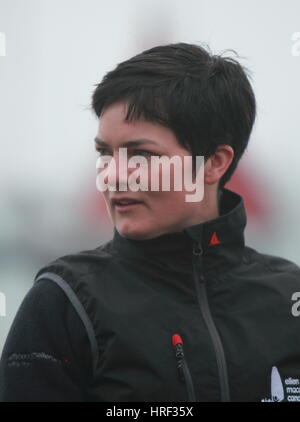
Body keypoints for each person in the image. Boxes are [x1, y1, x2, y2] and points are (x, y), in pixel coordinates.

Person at [1, 42, 300, 402]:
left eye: (141, 154)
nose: (112, 176)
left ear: (214, 163)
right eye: (104, 153)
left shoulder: (289, 299)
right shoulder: (64, 303)